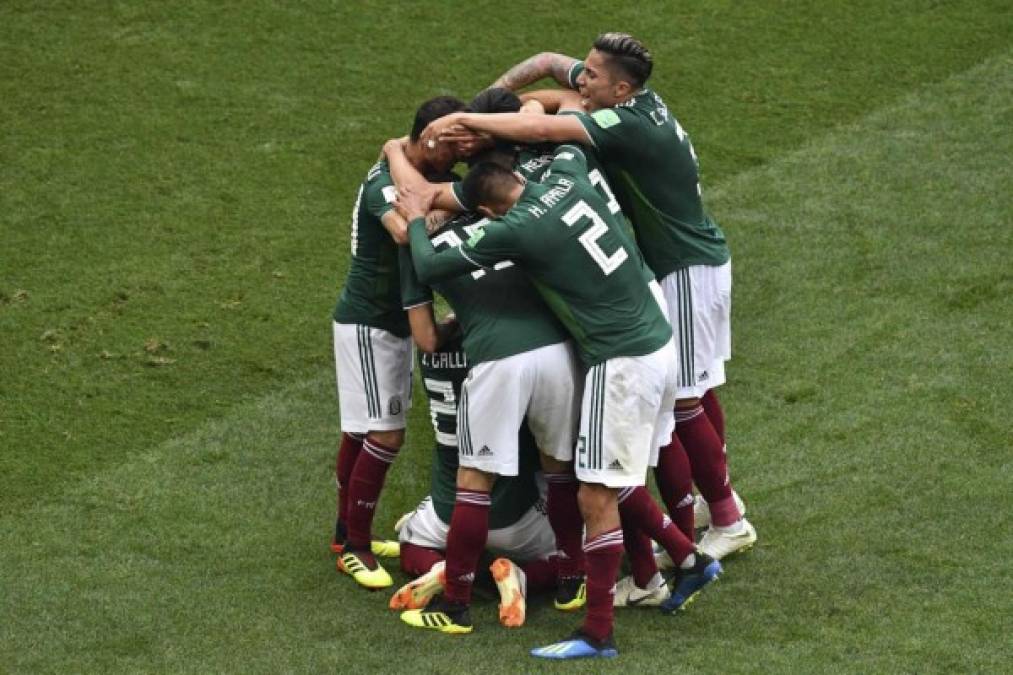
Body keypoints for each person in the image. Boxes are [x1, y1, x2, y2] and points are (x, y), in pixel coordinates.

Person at [424, 33, 757, 563]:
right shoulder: (607, 122)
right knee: (691, 392)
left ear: (621, 87)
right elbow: (547, 65)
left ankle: (724, 517)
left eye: (594, 77)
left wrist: (474, 120)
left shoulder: (618, 125)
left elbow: (540, 119)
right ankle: (705, 505)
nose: (582, 81)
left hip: (682, 267)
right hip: (662, 265)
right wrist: (502, 96)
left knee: (682, 402)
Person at [399, 146, 721, 660]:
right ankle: (687, 559)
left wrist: (417, 216)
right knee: (612, 476)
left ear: (486, 210)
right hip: (659, 340)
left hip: (622, 362)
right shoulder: (567, 177)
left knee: (595, 496)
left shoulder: (517, 228)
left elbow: (427, 259)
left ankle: (597, 633)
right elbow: (571, 146)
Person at [383, 178, 587, 635]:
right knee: (560, 471)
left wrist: (457, 322)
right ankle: (570, 580)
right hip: (554, 350)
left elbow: (427, 338)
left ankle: (455, 604)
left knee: (472, 484)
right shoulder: (502, 218)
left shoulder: (415, 245)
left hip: (496, 355)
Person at [331, 95, 465, 590]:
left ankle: (345, 533)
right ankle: (355, 547)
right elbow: (405, 233)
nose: (455, 160)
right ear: (426, 136)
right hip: (371, 322)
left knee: (361, 432)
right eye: (449, 148)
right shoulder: (383, 183)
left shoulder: (406, 169)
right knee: (385, 435)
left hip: (390, 323)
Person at [389, 323, 562, 630]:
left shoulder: (429, 350)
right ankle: (523, 577)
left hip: (449, 511)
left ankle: (442, 567)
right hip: (515, 517)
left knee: (409, 542)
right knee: (588, 547)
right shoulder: (514, 353)